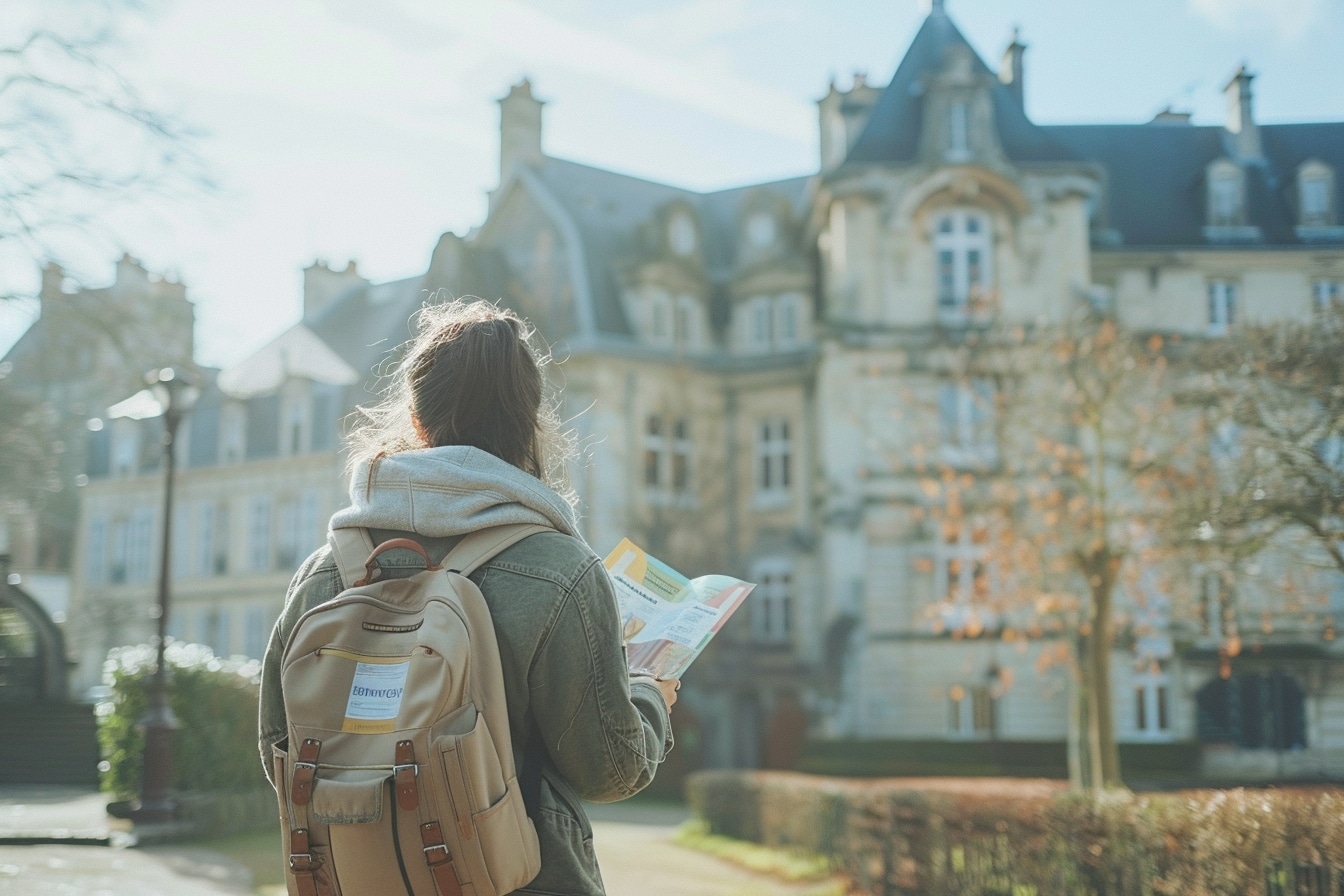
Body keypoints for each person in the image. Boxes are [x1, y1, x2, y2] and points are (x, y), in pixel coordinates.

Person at [258, 298, 676, 895]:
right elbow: (609, 768)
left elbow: (282, 749)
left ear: (416, 418)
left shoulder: (326, 573)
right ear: (530, 422)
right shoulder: (560, 569)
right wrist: (650, 696)